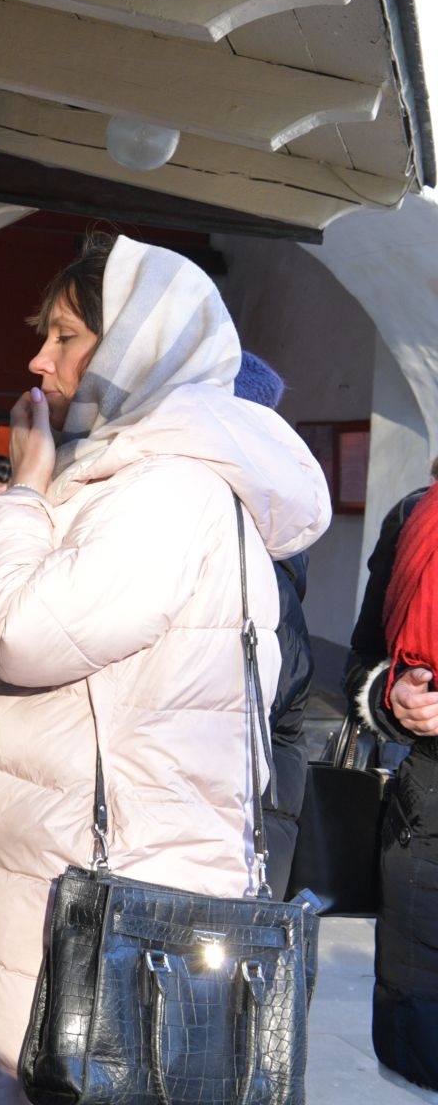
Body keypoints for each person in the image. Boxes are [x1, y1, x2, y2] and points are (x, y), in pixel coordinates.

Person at [0, 237, 329, 1104]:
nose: (39, 359)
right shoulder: (132, 482)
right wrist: (8, 706)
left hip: (106, 929)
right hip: (71, 906)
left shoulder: (167, 492)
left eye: (67, 338)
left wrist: (24, 497)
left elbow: (25, 631)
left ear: (136, 353)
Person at [346, 456, 438, 1087]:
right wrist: (392, 698)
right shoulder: (414, 516)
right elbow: (363, 660)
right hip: (426, 830)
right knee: (422, 1054)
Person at [232, 352, 315, 895]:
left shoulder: (255, 548)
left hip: (252, 813)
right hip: (263, 803)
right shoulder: (271, 527)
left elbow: (262, 701)